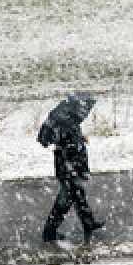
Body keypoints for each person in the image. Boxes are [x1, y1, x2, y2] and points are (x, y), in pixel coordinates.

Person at [38, 92, 105, 245]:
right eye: (84, 109)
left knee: (75, 196)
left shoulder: (70, 122)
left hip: (71, 166)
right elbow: (64, 144)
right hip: (69, 167)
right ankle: (49, 232)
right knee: (66, 199)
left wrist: (80, 138)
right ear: (77, 109)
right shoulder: (65, 123)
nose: (85, 113)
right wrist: (72, 146)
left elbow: (66, 140)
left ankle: (88, 223)